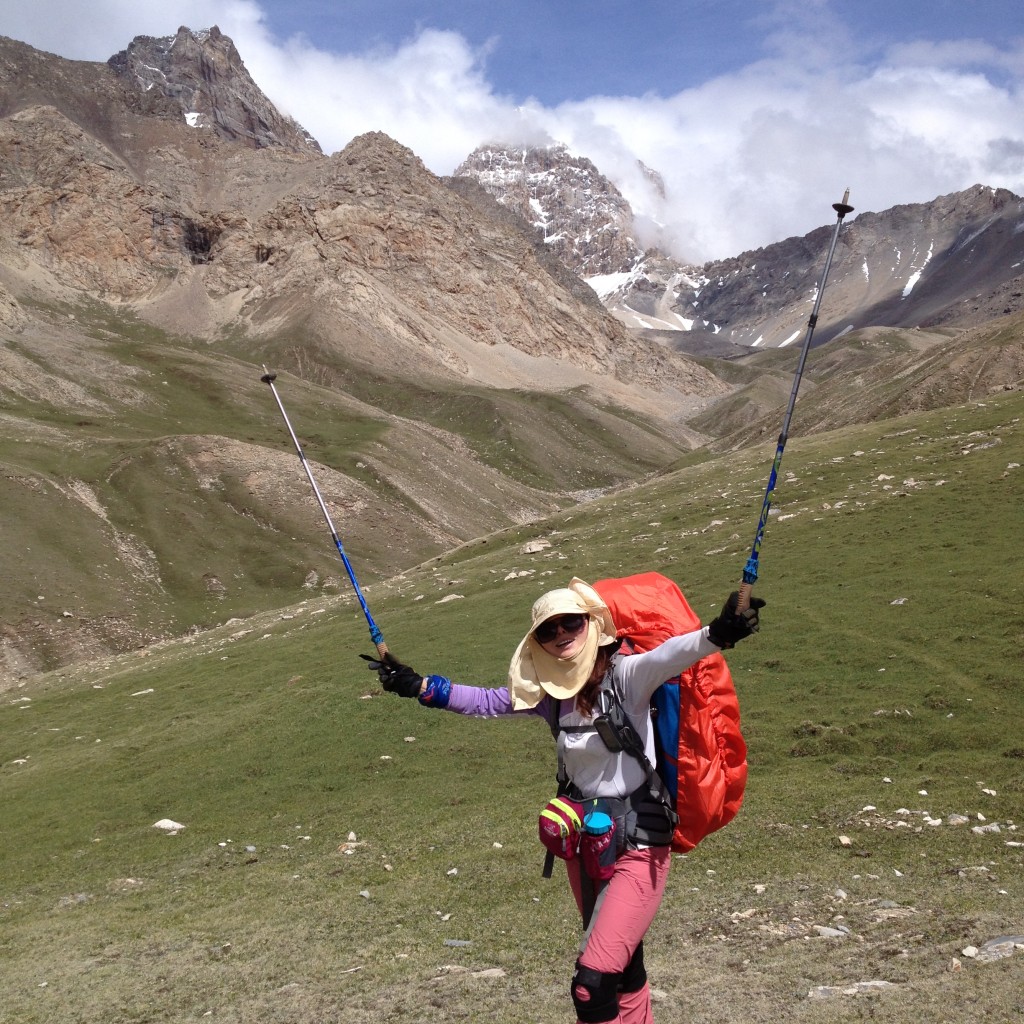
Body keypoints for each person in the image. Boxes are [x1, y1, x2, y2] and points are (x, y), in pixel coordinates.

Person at [363, 578, 763, 1024]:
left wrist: (721, 631)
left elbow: (673, 654)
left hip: (640, 845)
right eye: (548, 631)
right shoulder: (552, 699)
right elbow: (485, 701)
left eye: (570, 622)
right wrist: (418, 686)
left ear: (591, 624)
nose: (561, 635)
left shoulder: (629, 677)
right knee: (623, 967)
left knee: (591, 985)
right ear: (538, 643)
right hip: (585, 844)